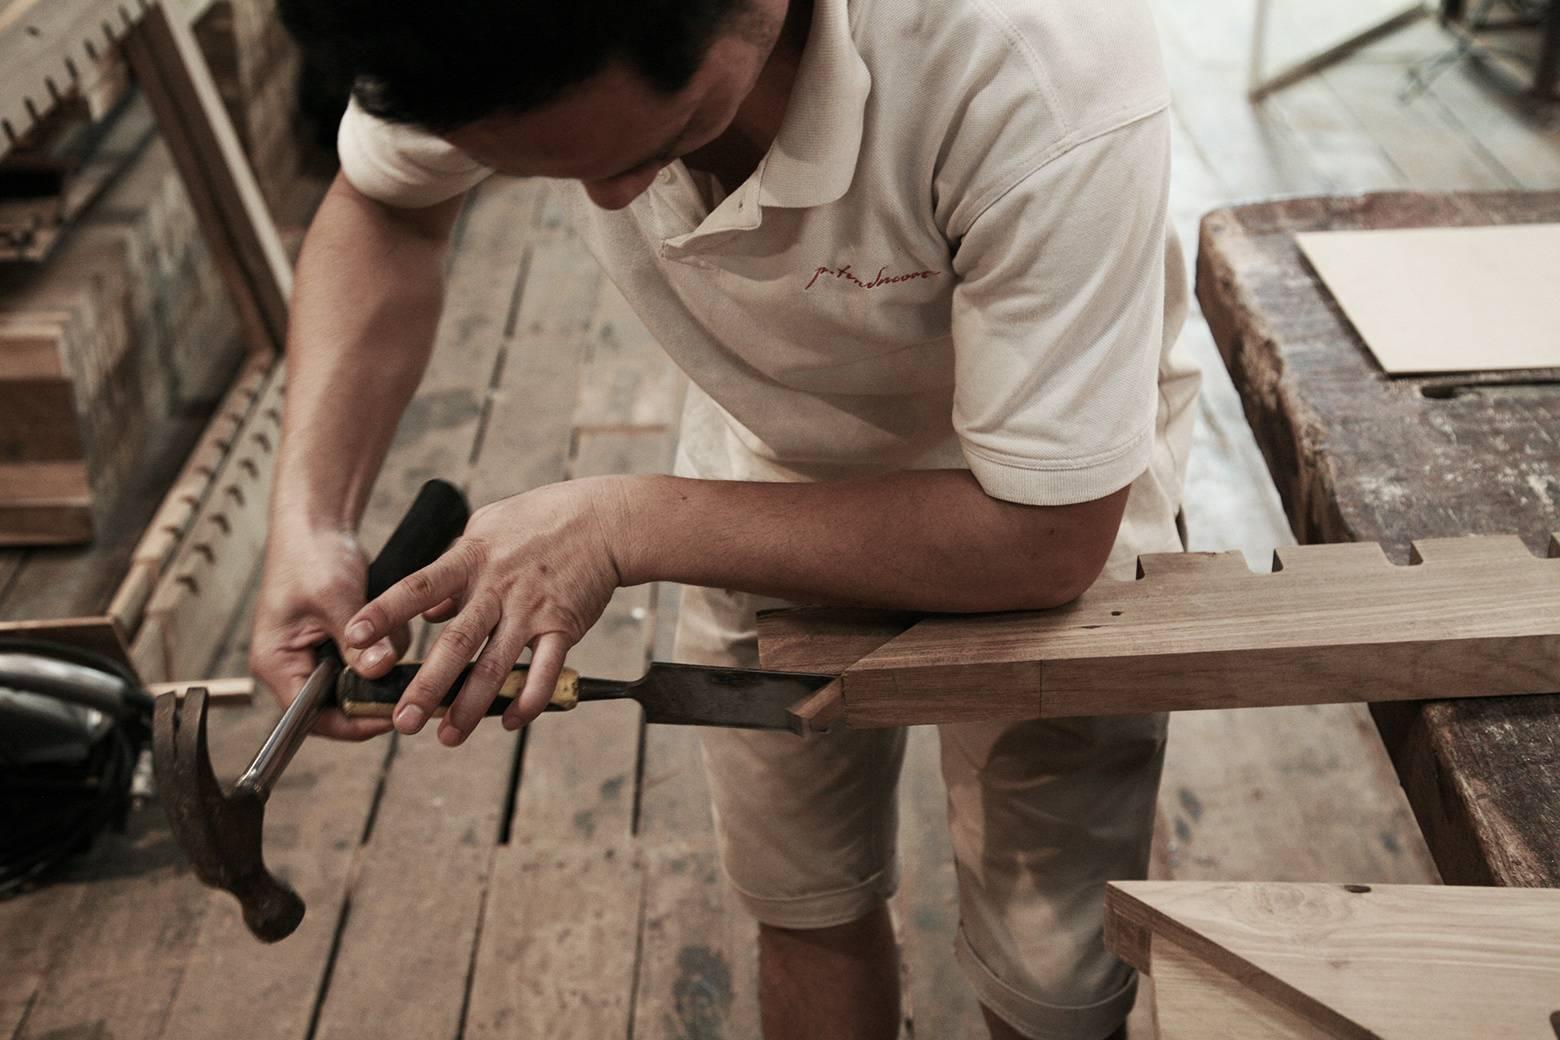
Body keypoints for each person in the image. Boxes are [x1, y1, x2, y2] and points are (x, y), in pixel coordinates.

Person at [256, 1, 1201, 1037]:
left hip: (1052, 488)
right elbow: (388, 207)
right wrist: (312, 518)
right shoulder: (471, 29)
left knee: (1051, 979)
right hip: (765, 478)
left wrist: (623, 524)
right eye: (549, 170)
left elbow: (1045, 536)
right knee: (804, 895)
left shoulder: (1038, 59)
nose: (617, 198)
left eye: (659, 143)